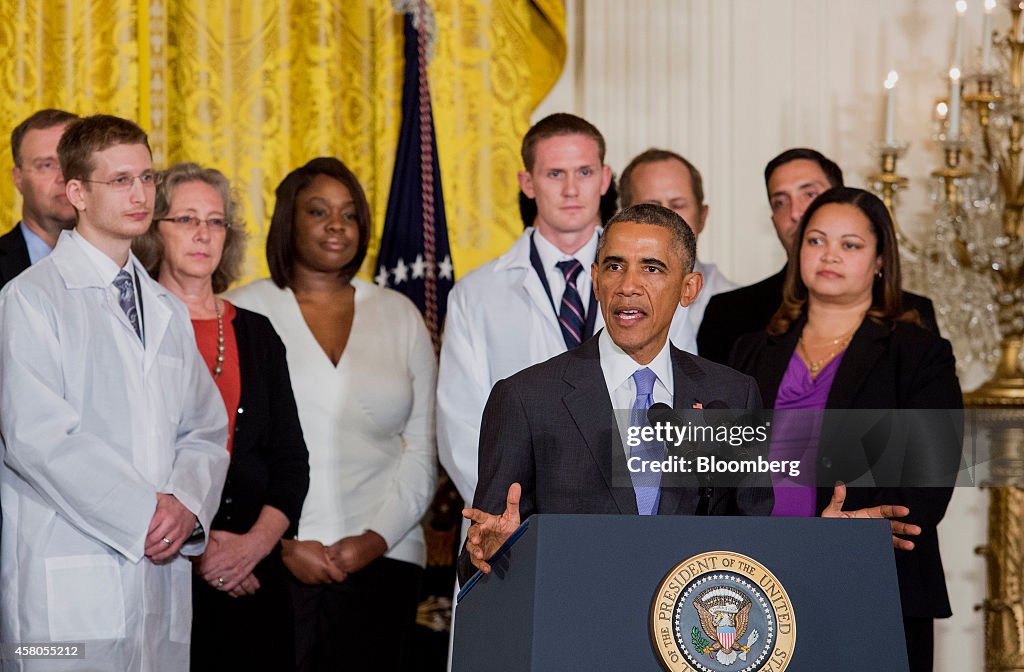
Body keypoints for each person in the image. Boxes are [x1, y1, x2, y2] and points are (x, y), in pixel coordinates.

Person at [457, 203, 921, 584]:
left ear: (688, 288)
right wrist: (488, 551)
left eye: (652, 268)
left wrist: (824, 542)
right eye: (614, 266)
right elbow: (480, 553)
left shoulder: (730, 395)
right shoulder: (525, 398)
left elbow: (753, 542)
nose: (629, 285)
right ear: (596, 279)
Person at [0, 114, 229, 671]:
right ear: (76, 192)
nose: (141, 194)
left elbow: (205, 429)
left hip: (159, 574)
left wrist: (185, 505)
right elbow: (36, 438)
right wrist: (143, 513)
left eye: (148, 178)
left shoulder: (167, 309)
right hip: (65, 577)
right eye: (121, 181)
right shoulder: (30, 299)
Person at [729, 187, 962, 672]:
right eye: (816, 241)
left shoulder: (917, 353)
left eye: (850, 244)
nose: (830, 254)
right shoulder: (752, 351)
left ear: (880, 260)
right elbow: (724, 470)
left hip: (875, 581)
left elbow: (927, 487)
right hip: (759, 579)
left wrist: (844, 538)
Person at [227, 157, 437, 672]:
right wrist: (281, 544)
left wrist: (374, 538)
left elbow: (424, 445)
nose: (336, 225)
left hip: (386, 557)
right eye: (318, 211)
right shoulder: (240, 311)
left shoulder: (400, 313)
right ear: (288, 220)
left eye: (349, 213)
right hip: (270, 561)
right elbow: (228, 452)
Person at [133, 162, 310, 670]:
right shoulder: (130, 328)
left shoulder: (257, 333)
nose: (203, 234)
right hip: (162, 567)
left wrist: (253, 547)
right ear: (153, 228)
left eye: (215, 221)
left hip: (256, 572)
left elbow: (291, 462)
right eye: (186, 219)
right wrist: (199, 551)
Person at [697, 148, 937, 364]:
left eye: (810, 195)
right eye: (780, 202)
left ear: (840, 199)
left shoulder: (912, 317)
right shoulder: (729, 314)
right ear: (772, 219)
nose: (796, 213)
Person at [619, 148, 737, 352]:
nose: (667, 218)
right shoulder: (605, 301)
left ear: (703, 216)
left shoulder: (738, 304)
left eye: (678, 205)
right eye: (651, 207)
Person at [1, 109, 79, 288]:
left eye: (71, 162)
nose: (64, 176)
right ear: (18, 178)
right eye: (47, 165)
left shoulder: (124, 260)